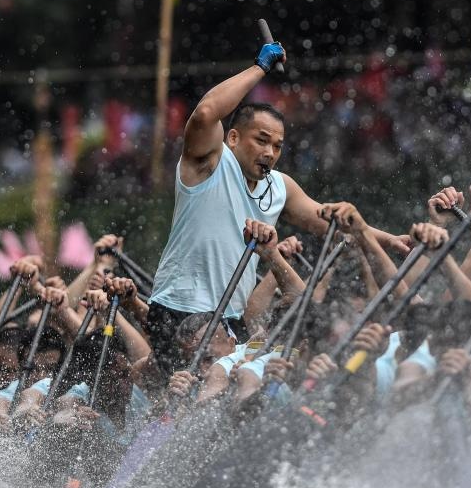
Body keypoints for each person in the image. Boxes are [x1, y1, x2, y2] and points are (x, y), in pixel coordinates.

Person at [146, 39, 403, 371]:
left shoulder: (280, 186)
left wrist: (387, 239)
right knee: (186, 407)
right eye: (262, 140)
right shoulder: (210, 161)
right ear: (234, 138)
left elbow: (332, 224)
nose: (270, 153)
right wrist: (260, 68)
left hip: (231, 320)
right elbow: (207, 112)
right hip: (178, 310)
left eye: (278, 146)